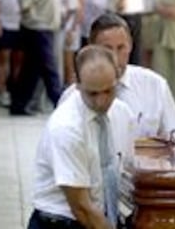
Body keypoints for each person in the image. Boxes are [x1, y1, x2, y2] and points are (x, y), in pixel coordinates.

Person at [28, 45, 135, 229]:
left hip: (99, 216)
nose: (101, 102)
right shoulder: (66, 128)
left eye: (108, 91)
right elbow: (81, 207)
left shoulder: (122, 113)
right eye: (92, 93)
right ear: (77, 83)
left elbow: (127, 172)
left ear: (117, 78)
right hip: (61, 222)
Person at [60, 12, 175, 139]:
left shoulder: (155, 86)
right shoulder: (72, 97)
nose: (114, 56)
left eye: (121, 48)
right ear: (92, 49)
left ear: (130, 46)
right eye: (107, 49)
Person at [10, 0, 62, 115]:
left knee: (30, 71)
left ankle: (18, 105)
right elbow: (25, 3)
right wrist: (32, 17)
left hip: (44, 30)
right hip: (37, 30)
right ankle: (61, 104)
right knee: (50, 69)